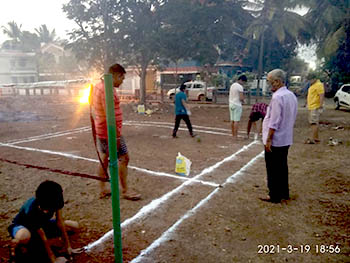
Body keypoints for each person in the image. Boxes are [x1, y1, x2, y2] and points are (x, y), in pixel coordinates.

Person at [91, 63, 141, 200]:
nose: (122, 81)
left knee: (105, 159)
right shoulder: (106, 89)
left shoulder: (100, 87)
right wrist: (116, 137)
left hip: (103, 130)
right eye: (122, 78)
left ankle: (103, 189)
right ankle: (125, 190)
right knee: (124, 158)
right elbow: (109, 114)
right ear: (115, 76)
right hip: (109, 132)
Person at [8, 180, 79, 263]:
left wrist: (68, 247)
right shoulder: (32, 209)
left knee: (74, 225)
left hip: (43, 223)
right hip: (23, 226)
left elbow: (60, 222)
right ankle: (14, 245)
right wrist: (53, 259)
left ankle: (34, 240)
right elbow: (42, 234)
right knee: (24, 236)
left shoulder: (55, 201)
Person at [262, 69, 297, 203]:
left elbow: (274, 121)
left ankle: (274, 195)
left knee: (272, 168)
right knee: (282, 166)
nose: (270, 85)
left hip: (276, 139)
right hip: (286, 137)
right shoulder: (291, 95)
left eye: (271, 82)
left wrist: (269, 139)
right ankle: (284, 192)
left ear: (277, 81)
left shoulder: (277, 97)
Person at [305, 72, 324, 144]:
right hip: (311, 106)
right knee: (312, 122)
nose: (309, 81)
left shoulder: (318, 85)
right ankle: (316, 137)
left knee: (314, 123)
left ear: (314, 79)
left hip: (315, 106)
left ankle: (314, 138)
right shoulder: (313, 85)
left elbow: (321, 95)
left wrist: (320, 105)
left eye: (310, 80)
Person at [229, 75, 247, 139]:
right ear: (241, 80)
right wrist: (244, 101)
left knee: (232, 120)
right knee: (236, 121)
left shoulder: (232, 85)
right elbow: (241, 98)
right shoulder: (240, 87)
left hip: (231, 103)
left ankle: (233, 134)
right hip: (237, 105)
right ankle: (235, 136)